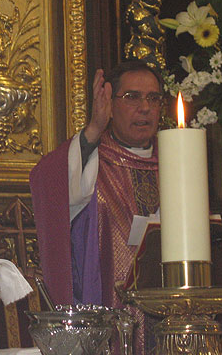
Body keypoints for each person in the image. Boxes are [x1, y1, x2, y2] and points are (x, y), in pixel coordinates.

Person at [30, 60, 163, 351]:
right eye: (132, 97)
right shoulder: (93, 159)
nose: (145, 107)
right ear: (109, 104)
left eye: (153, 98)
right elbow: (48, 180)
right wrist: (93, 129)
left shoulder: (176, 164)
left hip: (167, 317)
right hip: (107, 314)